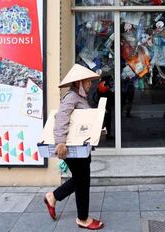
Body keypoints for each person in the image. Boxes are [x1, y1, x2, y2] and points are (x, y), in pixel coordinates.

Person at [43, 64, 105, 230]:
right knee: (82, 181)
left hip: (80, 149)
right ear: (79, 82)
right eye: (87, 81)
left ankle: (53, 197)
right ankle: (82, 218)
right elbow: (61, 117)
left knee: (81, 179)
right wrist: (60, 142)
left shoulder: (80, 97)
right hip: (71, 149)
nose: (90, 84)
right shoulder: (72, 96)